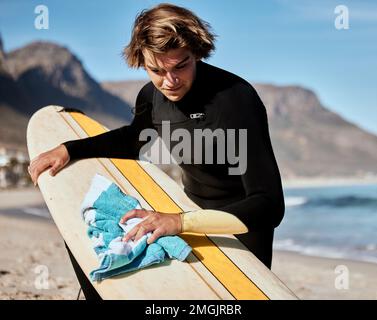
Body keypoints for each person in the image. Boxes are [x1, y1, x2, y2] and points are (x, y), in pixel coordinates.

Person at [28, 3, 285, 300]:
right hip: (185, 212)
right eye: (157, 70)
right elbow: (133, 139)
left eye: (181, 66)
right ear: (141, 61)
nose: (170, 81)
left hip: (239, 232)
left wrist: (180, 221)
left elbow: (269, 205)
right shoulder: (152, 96)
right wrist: (70, 149)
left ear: (197, 52)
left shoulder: (236, 100)